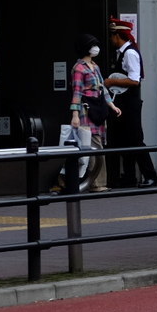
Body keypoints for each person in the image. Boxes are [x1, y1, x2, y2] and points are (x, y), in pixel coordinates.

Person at [56, 33, 115, 194]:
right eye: (92, 45)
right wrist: (75, 115)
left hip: (98, 109)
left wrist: (112, 105)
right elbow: (76, 92)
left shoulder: (95, 67)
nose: (96, 48)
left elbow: (102, 88)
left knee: (95, 145)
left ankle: (92, 181)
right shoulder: (78, 68)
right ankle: (96, 183)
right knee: (93, 146)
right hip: (86, 110)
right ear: (85, 48)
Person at [104, 18, 157, 188]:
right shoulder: (122, 52)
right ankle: (129, 177)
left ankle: (151, 176)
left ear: (118, 35)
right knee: (123, 140)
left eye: (113, 36)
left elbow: (135, 80)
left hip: (130, 103)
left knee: (135, 139)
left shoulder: (130, 53)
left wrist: (111, 83)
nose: (111, 39)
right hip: (123, 102)